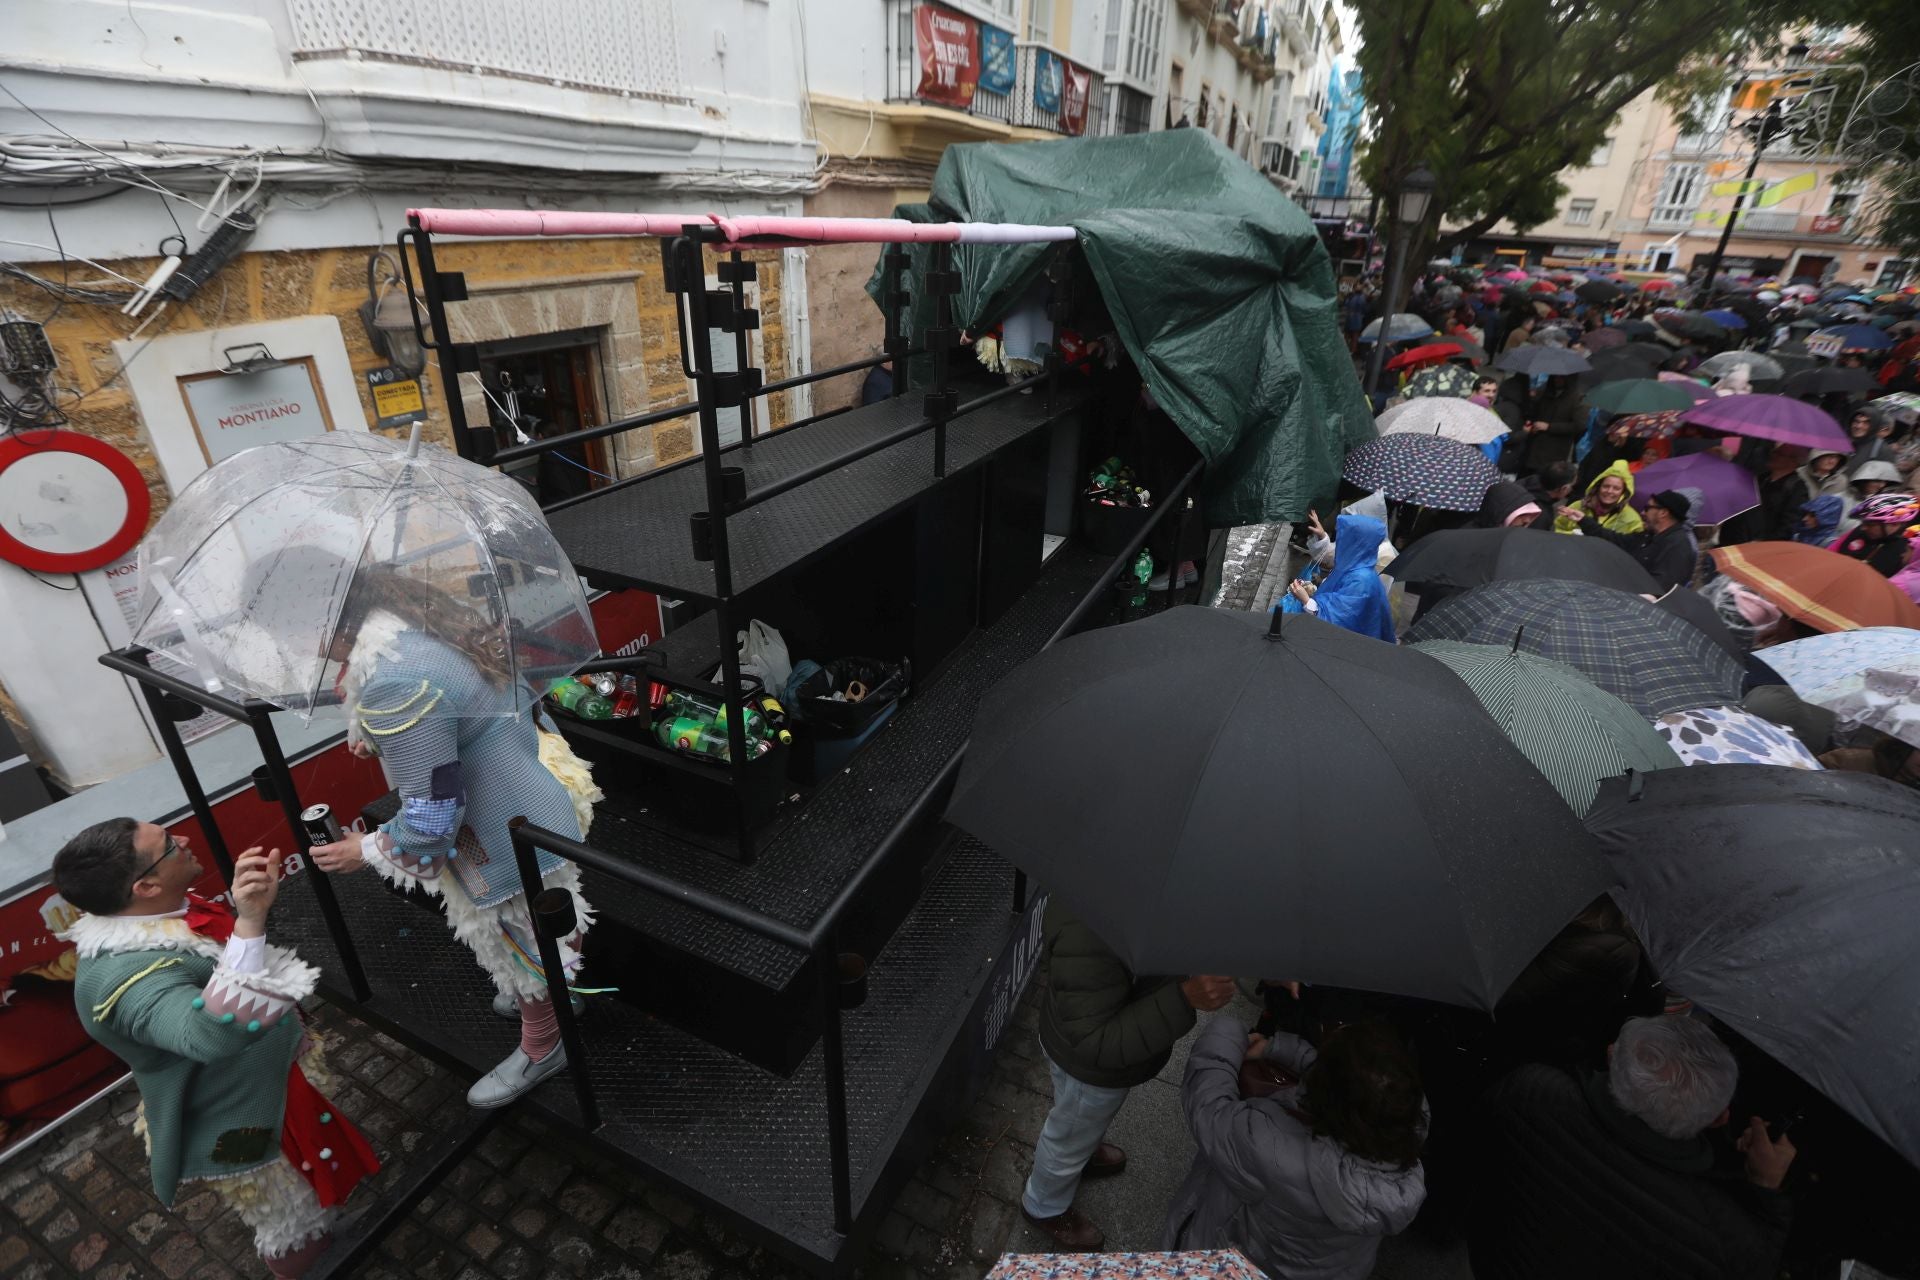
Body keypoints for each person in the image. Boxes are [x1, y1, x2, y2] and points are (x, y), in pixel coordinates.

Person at [305, 568, 598, 1108]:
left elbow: (434, 812)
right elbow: (457, 712)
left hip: (497, 831)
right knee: (548, 922)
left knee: (520, 941)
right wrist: (384, 737)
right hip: (531, 792)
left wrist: (362, 849)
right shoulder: (417, 626)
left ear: (332, 622)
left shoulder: (393, 679)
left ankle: (546, 1046)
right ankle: (560, 997)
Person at [53, 821, 377, 1278]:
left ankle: (329, 1234)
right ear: (145, 887)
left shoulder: (152, 914)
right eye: (169, 845)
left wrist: (247, 914)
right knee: (289, 1218)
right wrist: (250, 922)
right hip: (236, 1116)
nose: (184, 840)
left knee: (308, 1189)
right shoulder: (122, 983)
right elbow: (207, 1034)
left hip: (265, 1084)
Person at [1468, 1015, 1797, 1280]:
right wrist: (1764, 1187)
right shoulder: (1720, 1232)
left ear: (1613, 1055)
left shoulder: (1532, 1091)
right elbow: (1752, 1266)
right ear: (1719, 1119)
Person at [1023, 904, 1233, 1250]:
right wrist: (1184, 998)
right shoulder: (1094, 932)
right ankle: (1043, 1206)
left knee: (1076, 1120)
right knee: (1067, 1139)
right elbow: (1096, 1040)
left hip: (1083, 1052)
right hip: (1088, 1068)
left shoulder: (1123, 898)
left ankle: (1082, 1151)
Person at [1162, 1017, 1426, 1278]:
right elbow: (1354, 1088)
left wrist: (1227, 1031)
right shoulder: (1407, 1118)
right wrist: (1277, 1048)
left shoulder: (1273, 1149)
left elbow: (1209, 1109)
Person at [1281, 512, 1397, 642]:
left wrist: (1306, 600)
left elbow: (1337, 619)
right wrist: (1322, 536)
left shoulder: (1361, 581)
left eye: (1343, 538)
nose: (1339, 542)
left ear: (1355, 542)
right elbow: (1332, 557)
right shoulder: (1356, 563)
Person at [1563, 489, 1696, 592]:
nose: (1642, 513)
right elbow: (1616, 540)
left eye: (1648, 508)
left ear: (1663, 513)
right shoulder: (1648, 535)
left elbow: (1660, 588)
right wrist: (1583, 520)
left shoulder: (1678, 547)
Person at [1833, 494, 1919, 576]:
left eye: (1870, 524)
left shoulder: (1907, 550)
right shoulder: (1860, 531)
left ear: (1894, 524)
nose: (1863, 528)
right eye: (1863, 523)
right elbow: (1833, 551)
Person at [1554, 460, 1643, 536]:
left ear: (1624, 492)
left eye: (1616, 488)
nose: (1609, 491)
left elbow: (1632, 545)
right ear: (1598, 487)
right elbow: (1557, 529)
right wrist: (1572, 535)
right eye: (1606, 486)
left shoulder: (1632, 520)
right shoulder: (1578, 506)